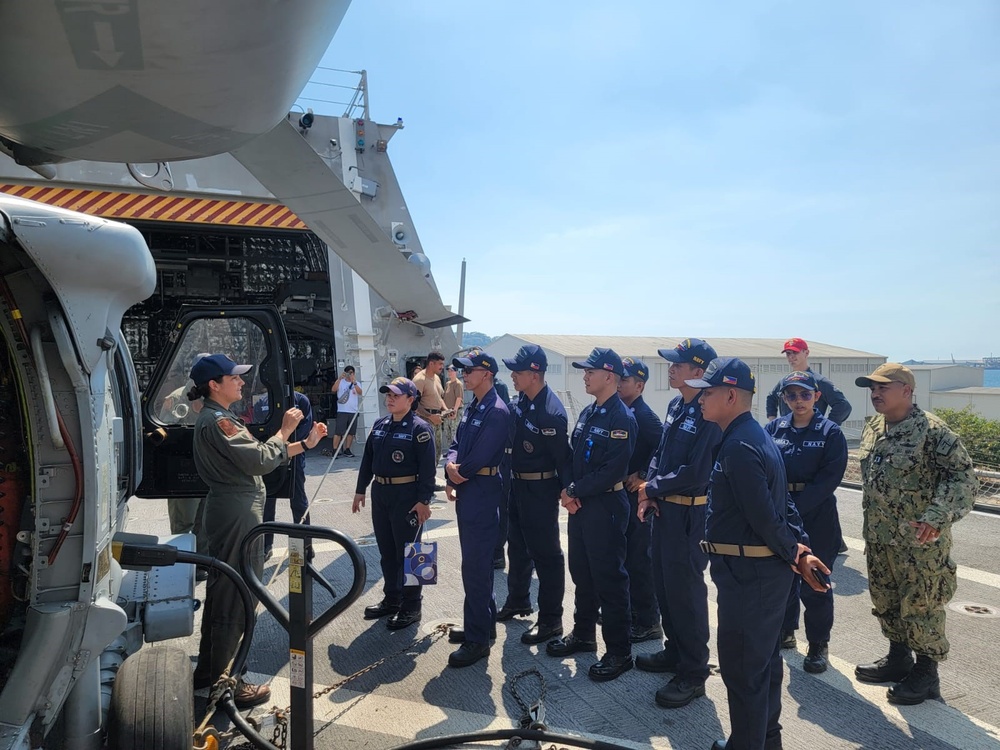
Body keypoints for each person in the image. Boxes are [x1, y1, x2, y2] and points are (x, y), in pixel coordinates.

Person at [686, 357, 828, 750]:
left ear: (731, 395)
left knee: (743, 669)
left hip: (751, 574)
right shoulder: (752, 435)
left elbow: (765, 515)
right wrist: (799, 550)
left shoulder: (740, 445)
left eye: (708, 392)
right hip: (758, 570)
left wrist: (795, 553)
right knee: (763, 665)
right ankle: (766, 740)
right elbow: (783, 506)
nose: (700, 399)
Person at [188, 354, 327, 708]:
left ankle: (210, 671)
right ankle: (228, 684)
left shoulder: (220, 418)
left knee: (227, 592)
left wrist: (304, 444)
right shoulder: (219, 422)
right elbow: (259, 460)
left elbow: (262, 456)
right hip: (237, 512)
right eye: (233, 378)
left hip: (234, 506)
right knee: (237, 597)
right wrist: (284, 430)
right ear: (214, 385)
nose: (241, 382)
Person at [853, 363, 977, 705]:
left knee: (922, 606)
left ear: (907, 391)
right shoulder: (874, 427)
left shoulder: (932, 431)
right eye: (872, 389)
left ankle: (926, 673)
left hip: (920, 543)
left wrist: (937, 517)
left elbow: (964, 479)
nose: (875, 394)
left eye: (883, 388)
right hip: (880, 538)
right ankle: (898, 658)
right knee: (886, 601)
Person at [635, 338, 722, 709]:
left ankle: (694, 672)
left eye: (678, 364)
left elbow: (697, 471)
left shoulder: (708, 412)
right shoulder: (675, 404)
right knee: (665, 586)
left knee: (686, 593)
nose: (670, 369)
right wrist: (650, 488)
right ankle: (675, 650)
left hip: (689, 512)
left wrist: (650, 486)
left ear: (699, 372)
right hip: (664, 509)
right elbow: (660, 454)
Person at [546, 347, 636, 682]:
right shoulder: (588, 412)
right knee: (582, 573)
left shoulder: (621, 417)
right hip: (581, 505)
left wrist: (574, 491)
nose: (584, 376)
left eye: (590, 372)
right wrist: (569, 489)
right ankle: (583, 634)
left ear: (609, 376)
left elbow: (613, 469)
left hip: (606, 507)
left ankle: (619, 651)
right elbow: (572, 457)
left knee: (610, 579)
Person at [765, 371, 848, 672]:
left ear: (816, 396)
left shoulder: (830, 432)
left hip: (817, 516)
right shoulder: (774, 428)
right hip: (781, 516)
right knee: (782, 578)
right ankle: (786, 632)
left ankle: (817, 645)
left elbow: (829, 479)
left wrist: (795, 510)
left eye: (804, 394)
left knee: (815, 583)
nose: (798, 401)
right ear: (784, 399)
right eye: (791, 396)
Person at [496, 344, 572, 644]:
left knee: (547, 554)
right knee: (516, 546)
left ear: (535, 373)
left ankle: (551, 620)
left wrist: (567, 490)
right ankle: (518, 599)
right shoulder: (523, 402)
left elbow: (563, 459)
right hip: (517, 486)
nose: (513, 375)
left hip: (540, 489)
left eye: (518, 371)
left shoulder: (550, 412)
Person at [443, 349, 509, 667]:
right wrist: (450, 466)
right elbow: (456, 443)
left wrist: (457, 472)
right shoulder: (474, 406)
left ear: (486, 374)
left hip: (481, 490)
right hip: (470, 488)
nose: (464, 376)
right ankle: (480, 624)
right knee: (475, 563)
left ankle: (478, 640)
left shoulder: (496, 410)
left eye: (469, 371)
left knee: (476, 567)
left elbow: (481, 454)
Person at [353, 377, 435, 629]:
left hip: (407, 496)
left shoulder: (420, 429)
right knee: (387, 551)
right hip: (381, 493)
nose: (390, 398)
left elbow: (428, 469)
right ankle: (392, 598)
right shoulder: (380, 425)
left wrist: (424, 500)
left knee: (413, 553)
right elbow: (368, 460)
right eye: (388, 394)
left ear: (410, 400)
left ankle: (413, 607)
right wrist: (360, 490)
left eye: (396, 395)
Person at [617, 357, 663, 644]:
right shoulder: (624, 411)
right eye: (618, 378)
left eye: (625, 380)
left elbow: (664, 448)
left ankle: (648, 621)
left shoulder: (644, 416)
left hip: (639, 499)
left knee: (639, 561)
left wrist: (645, 473)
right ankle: (630, 611)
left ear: (640, 385)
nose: (620, 383)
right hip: (622, 496)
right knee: (624, 557)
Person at [160, 352, 212, 574]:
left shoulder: (215, 396)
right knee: (183, 523)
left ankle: (202, 565)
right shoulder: (176, 398)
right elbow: (163, 432)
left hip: (209, 470)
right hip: (184, 470)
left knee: (206, 523)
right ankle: (181, 567)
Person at [256, 389, 314, 558]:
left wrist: (287, 444)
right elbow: (261, 427)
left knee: (298, 500)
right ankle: (267, 545)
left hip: (295, 456)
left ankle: (305, 546)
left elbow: (306, 426)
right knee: (267, 502)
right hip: (272, 456)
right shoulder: (263, 402)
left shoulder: (301, 400)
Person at [765, 338, 852, 425]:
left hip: (811, 434)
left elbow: (843, 405)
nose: (791, 356)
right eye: (788, 353)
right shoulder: (785, 381)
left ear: (806, 353)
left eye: (795, 352)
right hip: (787, 434)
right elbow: (771, 398)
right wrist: (773, 422)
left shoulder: (819, 381)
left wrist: (826, 427)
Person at [413, 352, 447, 459]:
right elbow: (414, 404)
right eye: (440, 364)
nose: (442, 367)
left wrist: (446, 410)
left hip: (437, 420)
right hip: (425, 422)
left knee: (436, 454)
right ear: (431, 364)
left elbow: (439, 397)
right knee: (426, 455)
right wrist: (430, 416)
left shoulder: (436, 378)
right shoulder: (420, 380)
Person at [331, 365, 363, 457]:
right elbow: (333, 390)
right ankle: (335, 450)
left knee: (351, 432)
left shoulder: (356, 383)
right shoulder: (341, 382)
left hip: (353, 411)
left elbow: (360, 392)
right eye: (348, 373)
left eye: (351, 373)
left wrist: (354, 382)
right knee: (339, 432)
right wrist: (339, 379)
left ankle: (347, 449)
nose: (350, 375)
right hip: (342, 411)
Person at [442, 364, 464, 455]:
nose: (449, 373)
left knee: (454, 432)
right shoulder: (447, 384)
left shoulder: (458, 384)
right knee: (447, 432)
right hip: (448, 411)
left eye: (451, 371)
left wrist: (454, 411)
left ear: (456, 372)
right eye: (448, 371)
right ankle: (450, 450)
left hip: (455, 411)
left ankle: (456, 452)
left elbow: (459, 398)